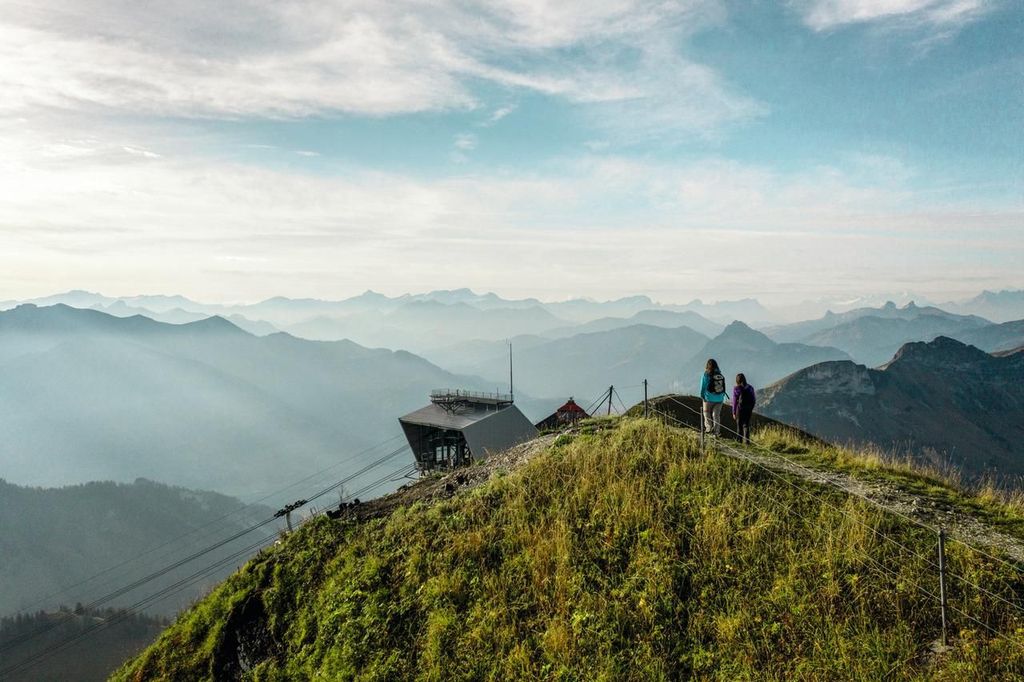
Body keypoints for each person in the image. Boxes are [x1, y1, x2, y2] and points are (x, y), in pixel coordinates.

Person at [699, 358, 727, 437]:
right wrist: (722, 396)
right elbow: (723, 387)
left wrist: (702, 396)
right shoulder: (720, 374)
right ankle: (716, 432)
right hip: (720, 399)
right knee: (716, 415)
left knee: (706, 412)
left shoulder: (706, 374)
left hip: (709, 398)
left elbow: (703, 386)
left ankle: (708, 428)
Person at [733, 373, 756, 444]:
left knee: (739, 426)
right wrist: (751, 408)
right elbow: (753, 399)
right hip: (748, 409)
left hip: (740, 409)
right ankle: (747, 442)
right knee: (746, 425)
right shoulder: (750, 388)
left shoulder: (736, 389)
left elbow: (734, 401)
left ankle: (739, 441)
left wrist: (734, 412)